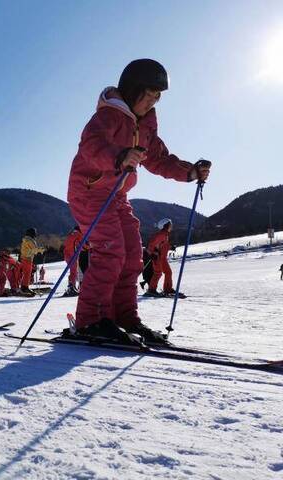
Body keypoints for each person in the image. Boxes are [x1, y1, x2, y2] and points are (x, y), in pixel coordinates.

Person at [66, 58, 211, 344]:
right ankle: (90, 321)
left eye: (158, 96)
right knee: (111, 252)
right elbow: (91, 146)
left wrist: (190, 172)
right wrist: (118, 157)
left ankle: (124, 316)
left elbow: (157, 159)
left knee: (133, 254)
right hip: (89, 191)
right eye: (149, 94)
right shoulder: (108, 116)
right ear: (132, 90)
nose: (153, 101)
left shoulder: (145, 127)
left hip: (116, 195)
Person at [146, 218, 174, 296]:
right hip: (157, 257)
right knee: (158, 273)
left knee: (168, 272)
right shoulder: (161, 234)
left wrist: (171, 247)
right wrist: (152, 254)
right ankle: (151, 290)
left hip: (163, 258)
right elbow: (151, 244)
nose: (171, 226)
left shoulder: (165, 235)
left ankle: (168, 289)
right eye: (170, 224)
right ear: (166, 225)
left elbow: (162, 246)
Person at [18, 228, 45, 295]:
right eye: (35, 233)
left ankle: (24, 287)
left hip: (25, 258)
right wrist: (42, 250)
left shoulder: (26, 240)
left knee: (26, 274)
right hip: (27, 259)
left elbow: (32, 250)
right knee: (27, 274)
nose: (35, 235)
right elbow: (34, 249)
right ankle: (24, 288)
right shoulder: (30, 241)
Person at [63, 226, 83, 296]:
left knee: (72, 271)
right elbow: (82, 244)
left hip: (66, 255)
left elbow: (65, 244)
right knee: (74, 271)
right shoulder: (78, 235)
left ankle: (71, 286)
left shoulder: (70, 234)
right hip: (73, 255)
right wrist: (90, 246)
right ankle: (72, 287)